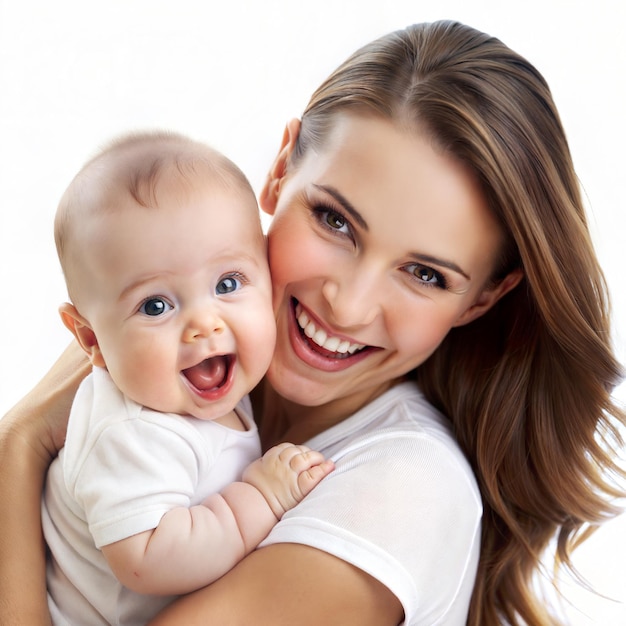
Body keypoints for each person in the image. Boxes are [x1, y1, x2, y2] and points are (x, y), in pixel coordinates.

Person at [1, 19, 624, 626]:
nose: (347, 306)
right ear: (278, 173)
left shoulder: (406, 490)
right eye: (335, 222)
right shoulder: (168, 339)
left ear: (482, 300)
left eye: (426, 275)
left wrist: (20, 440)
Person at [40, 131, 334, 625]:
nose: (206, 324)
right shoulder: (131, 432)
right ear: (91, 341)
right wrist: (259, 498)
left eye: (228, 284)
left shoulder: (196, 390)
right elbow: (148, 558)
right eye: (156, 305)